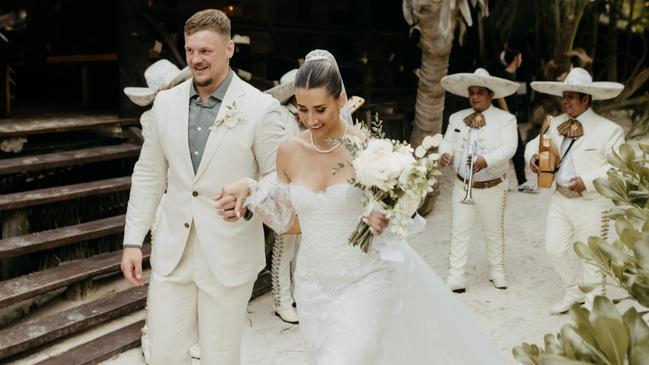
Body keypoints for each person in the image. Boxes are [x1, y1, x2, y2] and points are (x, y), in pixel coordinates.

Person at [216, 50, 505, 364]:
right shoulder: (288, 151)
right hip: (313, 286)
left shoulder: (370, 149)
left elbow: (399, 206)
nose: (310, 120)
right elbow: (289, 222)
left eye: (320, 109)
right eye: (302, 110)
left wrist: (386, 213)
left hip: (364, 280)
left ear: (341, 101)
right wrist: (252, 191)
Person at [119, 9, 286, 365]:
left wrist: (251, 187)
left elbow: (279, 177)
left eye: (206, 51)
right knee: (162, 355)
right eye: (190, 50)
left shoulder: (261, 108)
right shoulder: (165, 104)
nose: (196, 59)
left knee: (220, 357)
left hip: (228, 254)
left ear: (228, 50)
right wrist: (132, 241)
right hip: (173, 253)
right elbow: (148, 174)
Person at [525, 67, 624, 315]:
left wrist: (589, 180)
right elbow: (530, 146)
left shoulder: (609, 129)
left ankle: (594, 309)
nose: (565, 101)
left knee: (591, 257)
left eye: (571, 96)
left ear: (586, 99)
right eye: (564, 95)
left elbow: (618, 167)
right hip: (559, 199)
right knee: (554, 248)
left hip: (592, 202)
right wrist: (535, 157)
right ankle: (573, 290)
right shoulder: (554, 123)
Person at [438, 68, 519, 293]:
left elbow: (510, 147)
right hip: (462, 184)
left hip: (492, 186)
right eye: (472, 92)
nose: (475, 97)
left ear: (490, 94)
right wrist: (443, 153)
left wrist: (487, 160)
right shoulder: (457, 118)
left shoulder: (506, 119)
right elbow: (447, 141)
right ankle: (456, 276)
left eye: (480, 92)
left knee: (493, 231)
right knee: (459, 230)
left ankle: (497, 272)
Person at [493, 48, 535, 193]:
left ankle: (516, 182)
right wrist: (508, 115)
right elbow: (499, 95)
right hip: (505, 118)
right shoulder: (504, 75)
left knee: (515, 149)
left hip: (510, 117)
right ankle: (520, 182)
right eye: (520, 57)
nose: (521, 60)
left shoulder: (511, 75)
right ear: (515, 59)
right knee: (516, 149)